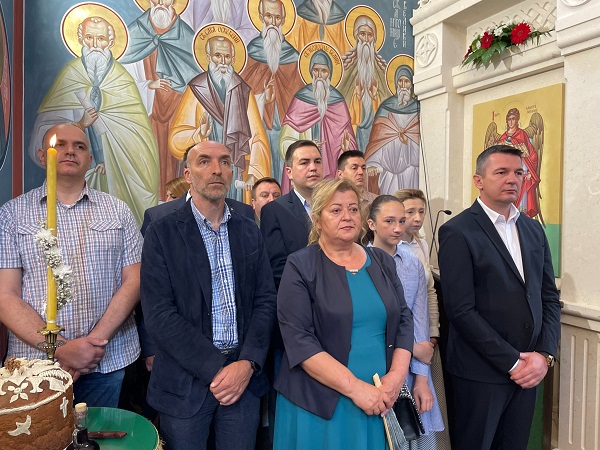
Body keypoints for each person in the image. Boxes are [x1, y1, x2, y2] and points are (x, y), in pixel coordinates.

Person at [140, 140, 277, 450]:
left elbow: (265, 301)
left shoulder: (248, 229)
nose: (217, 169)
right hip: (185, 381)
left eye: (225, 162)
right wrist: (217, 368)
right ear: (188, 174)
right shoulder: (162, 231)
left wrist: (247, 364)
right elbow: (159, 314)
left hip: (243, 380)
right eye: (205, 161)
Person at [0, 123, 142, 407]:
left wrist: (92, 345)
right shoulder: (13, 214)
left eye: (80, 146)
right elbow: (6, 295)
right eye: (60, 145)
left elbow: (135, 280)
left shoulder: (118, 211)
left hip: (106, 358)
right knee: (42, 432)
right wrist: (62, 349)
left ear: (90, 159)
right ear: (42, 156)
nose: (70, 151)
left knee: (100, 432)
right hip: (36, 364)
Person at [273, 179, 413, 449]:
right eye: (336, 210)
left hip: (381, 398)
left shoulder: (382, 260)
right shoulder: (300, 265)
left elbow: (404, 320)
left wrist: (396, 378)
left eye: (353, 208)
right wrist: (356, 389)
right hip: (321, 404)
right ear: (317, 219)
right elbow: (299, 340)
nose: (347, 216)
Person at [438, 145, 561, 449]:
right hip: (479, 372)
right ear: (478, 181)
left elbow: (548, 297)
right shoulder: (458, 231)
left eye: (519, 173)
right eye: (502, 172)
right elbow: (460, 310)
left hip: (529, 369)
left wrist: (544, 356)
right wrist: (512, 361)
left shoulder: (533, 230)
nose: (513, 179)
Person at [28, 15, 159, 226]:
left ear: (111, 41)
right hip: (76, 178)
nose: (95, 44)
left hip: (117, 170)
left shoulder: (122, 79)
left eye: (101, 39)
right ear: (80, 39)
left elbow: (137, 133)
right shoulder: (70, 75)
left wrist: (110, 154)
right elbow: (45, 130)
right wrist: (80, 123)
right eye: (89, 38)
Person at [365, 195, 445, 448]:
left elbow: (419, 318)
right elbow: (369, 323)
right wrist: (411, 346)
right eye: (389, 221)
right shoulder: (360, 262)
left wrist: (422, 378)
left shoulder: (412, 264)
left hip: (410, 368)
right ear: (371, 224)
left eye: (401, 221)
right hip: (374, 363)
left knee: (414, 433)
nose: (398, 228)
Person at [169, 34, 270, 203]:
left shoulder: (243, 91)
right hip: (204, 172)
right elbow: (175, 140)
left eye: (227, 57)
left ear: (233, 59)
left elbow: (257, 137)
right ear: (208, 57)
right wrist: (199, 134)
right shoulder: (196, 89)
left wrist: (255, 172)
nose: (223, 62)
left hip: (235, 173)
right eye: (217, 56)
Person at [120, 0, 199, 201]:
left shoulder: (187, 37)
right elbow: (122, 77)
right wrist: (148, 85)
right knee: (150, 155)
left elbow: (196, 76)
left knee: (176, 157)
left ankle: (178, 201)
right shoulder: (134, 34)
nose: (161, 3)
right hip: (148, 110)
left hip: (179, 109)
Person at [395, 188, 452, 448]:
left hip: (425, 337)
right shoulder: (389, 248)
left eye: (421, 211)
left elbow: (428, 292)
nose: (417, 218)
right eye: (410, 212)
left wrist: (433, 332)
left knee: (426, 401)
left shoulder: (421, 244)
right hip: (401, 340)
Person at [242, 0, 304, 184]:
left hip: (284, 128)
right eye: (269, 16)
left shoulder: (293, 56)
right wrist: (263, 98)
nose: (273, 22)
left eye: (277, 17)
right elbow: (243, 96)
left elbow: (299, 98)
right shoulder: (251, 53)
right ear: (261, 17)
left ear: (283, 20)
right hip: (258, 127)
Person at [280, 50, 357, 183]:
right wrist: (306, 147)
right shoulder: (300, 98)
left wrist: (345, 150)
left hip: (332, 171)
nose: (319, 75)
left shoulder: (338, 101)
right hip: (304, 174)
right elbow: (286, 139)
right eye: (316, 70)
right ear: (311, 72)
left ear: (330, 73)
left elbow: (349, 141)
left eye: (324, 71)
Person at [260, 140, 324, 289]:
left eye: (317, 161)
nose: (313, 167)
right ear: (289, 172)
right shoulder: (274, 211)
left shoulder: (335, 205)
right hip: (302, 295)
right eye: (304, 163)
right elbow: (278, 268)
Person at [365, 64, 420, 195]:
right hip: (388, 175)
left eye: (406, 81)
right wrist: (373, 163)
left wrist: (407, 142)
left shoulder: (418, 109)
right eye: (400, 81)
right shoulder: (385, 107)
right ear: (395, 82)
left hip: (411, 173)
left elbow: (425, 148)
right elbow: (377, 141)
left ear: (412, 84)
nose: (403, 85)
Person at [338, 14, 388, 152]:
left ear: (374, 38)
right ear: (356, 36)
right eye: (362, 34)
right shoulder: (347, 70)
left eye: (369, 35)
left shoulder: (381, 71)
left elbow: (386, 104)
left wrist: (375, 96)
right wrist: (357, 96)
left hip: (375, 134)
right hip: (354, 132)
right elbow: (342, 101)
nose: (366, 39)